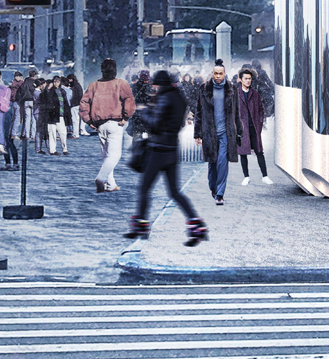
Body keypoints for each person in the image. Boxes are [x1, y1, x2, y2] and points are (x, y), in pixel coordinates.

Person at [125, 69, 208, 247]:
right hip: (171, 150)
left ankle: (140, 225)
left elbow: (155, 124)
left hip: (158, 151)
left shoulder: (164, 97)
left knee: (144, 188)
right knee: (175, 192)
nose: (153, 87)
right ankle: (196, 225)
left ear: (160, 84)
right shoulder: (178, 98)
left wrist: (143, 111)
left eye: (155, 84)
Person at [80, 58, 135, 193]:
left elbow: (84, 103)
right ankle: (101, 177)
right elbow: (129, 102)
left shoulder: (93, 85)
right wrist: (126, 117)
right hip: (116, 123)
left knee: (106, 156)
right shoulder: (121, 84)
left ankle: (110, 184)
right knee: (114, 156)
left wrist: (88, 121)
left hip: (100, 125)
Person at [194, 59, 240, 206]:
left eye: (220, 74)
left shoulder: (232, 89)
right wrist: (198, 133)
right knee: (212, 164)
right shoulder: (204, 89)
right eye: (215, 73)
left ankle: (220, 193)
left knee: (222, 162)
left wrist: (239, 131)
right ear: (212, 74)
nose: (218, 76)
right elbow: (199, 112)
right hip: (209, 132)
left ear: (225, 74)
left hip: (226, 132)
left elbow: (236, 112)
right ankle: (213, 188)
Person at [236, 68, 271, 185]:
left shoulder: (255, 94)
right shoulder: (235, 94)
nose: (248, 81)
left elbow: (261, 109)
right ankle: (246, 176)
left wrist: (260, 122)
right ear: (240, 79)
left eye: (249, 79)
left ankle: (265, 175)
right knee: (243, 153)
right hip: (242, 128)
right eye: (245, 79)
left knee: (259, 151)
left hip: (254, 127)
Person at [40, 73, 72, 154]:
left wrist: (68, 115)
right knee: (52, 133)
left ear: (60, 82)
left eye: (57, 81)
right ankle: (52, 150)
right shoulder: (49, 91)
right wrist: (47, 89)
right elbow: (44, 98)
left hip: (60, 114)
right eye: (54, 81)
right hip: (51, 115)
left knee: (63, 132)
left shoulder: (62, 91)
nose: (56, 83)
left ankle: (65, 149)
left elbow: (66, 104)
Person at [65, 73, 85, 137]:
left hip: (74, 105)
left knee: (75, 120)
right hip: (79, 104)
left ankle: (75, 134)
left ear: (71, 79)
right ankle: (76, 133)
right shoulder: (78, 85)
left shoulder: (73, 87)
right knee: (77, 120)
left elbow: (72, 96)